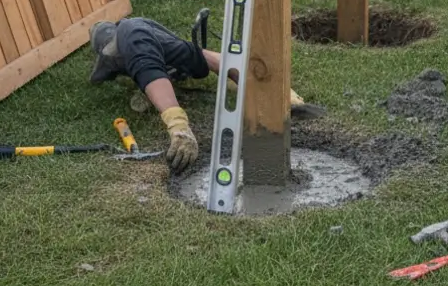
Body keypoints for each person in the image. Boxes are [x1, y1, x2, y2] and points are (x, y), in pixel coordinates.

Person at [89, 17, 314, 174]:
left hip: (139, 35)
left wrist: (274, 92)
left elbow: (153, 69)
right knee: (161, 58)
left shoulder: (135, 36)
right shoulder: (141, 39)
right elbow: (214, 61)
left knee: (155, 60)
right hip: (140, 37)